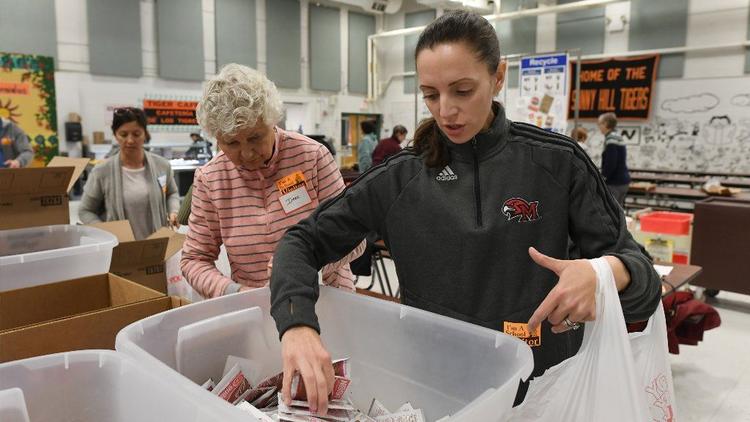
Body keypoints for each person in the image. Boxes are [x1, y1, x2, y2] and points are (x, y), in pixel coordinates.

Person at [269, 11, 660, 415]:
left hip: (544, 392)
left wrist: (601, 275)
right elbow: (301, 241)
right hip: (436, 390)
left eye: (462, 90)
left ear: (498, 77)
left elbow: (644, 283)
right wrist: (297, 324)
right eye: (431, 94)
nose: (445, 111)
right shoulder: (401, 177)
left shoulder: (558, 164)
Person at [180, 64, 365, 298]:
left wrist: (306, 265)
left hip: (327, 295)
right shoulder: (210, 179)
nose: (247, 153)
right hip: (256, 305)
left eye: (255, 137)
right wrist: (236, 293)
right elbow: (194, 259)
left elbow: (355, 238)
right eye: (231, 143)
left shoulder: (311, 157)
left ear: (272, 121)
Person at [79, 107, 179, 239]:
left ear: (145, 134)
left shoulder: (162, 165)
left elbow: (171, 193)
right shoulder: (101, 172)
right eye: (123, 134)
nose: (130, 140)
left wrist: (173, 211)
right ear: (115, 135)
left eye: (136, 134)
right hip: (121, 252)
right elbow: (85, 211)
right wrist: (105, 232)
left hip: (157, 248)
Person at [598, 112, 631, 207]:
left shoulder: (611, 138)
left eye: (600, 124)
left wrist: (603, 178)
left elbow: (611, 162)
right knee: (618, 212)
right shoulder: (617, 136)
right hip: (623, 181)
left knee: (611, 212)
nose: (599, 127)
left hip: (615, 183)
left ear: (606, 124)